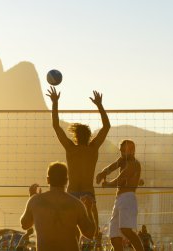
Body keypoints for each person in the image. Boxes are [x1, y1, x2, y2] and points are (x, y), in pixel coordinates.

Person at [46, 86, 110, 235]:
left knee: (71, 232)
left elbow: (56, 126)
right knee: (92, 231)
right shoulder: (93, 148)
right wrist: (99, 105)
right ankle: (97, 241)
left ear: (76, 136)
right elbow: (106, 126)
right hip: (88, 193)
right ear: (88, 136)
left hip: (73, 192)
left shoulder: (71, 148)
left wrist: (55, 102)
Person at [20, 161, 96, 251]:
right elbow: (90, 233)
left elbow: (25, 224)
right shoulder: (76, 204)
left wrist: (31, 198)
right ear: (66, 181)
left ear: (48, 180)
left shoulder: (35, 201)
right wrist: (89, 209)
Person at [96, 139, 144, 251]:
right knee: (114, 237)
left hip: (128, 198)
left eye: (124, 150)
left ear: (132, 150)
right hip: (119, 199)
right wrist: (102, 173)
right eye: (121, 150)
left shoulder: (134, 164)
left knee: (126, 230)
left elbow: (121, 180)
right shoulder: (123, 160)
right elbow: (112, 167)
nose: (122, 153)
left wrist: (107, 184)